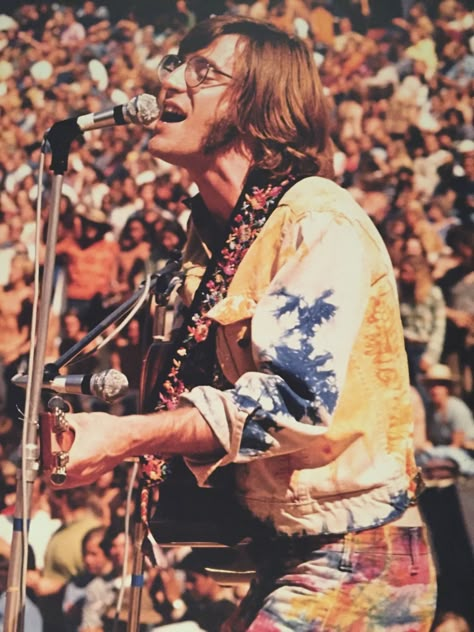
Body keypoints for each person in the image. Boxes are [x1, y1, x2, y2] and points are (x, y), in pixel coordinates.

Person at [56, 15, 437, 630]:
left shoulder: (316, 221)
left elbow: (290, 400)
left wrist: (128, 436)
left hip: (357, 560)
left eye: (203, 70)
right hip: (287, 553)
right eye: (176, 63)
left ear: (261, 108)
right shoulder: (213, 240)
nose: (173, 79)